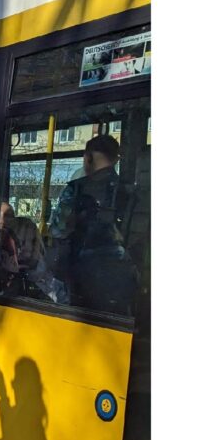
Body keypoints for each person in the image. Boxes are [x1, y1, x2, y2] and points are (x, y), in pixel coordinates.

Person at [52, 134, 137, 316]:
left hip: (80, 281)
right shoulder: (131, 192)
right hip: (122, 280)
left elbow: (58, 231)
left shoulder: (76, 190)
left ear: (88, 157)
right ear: (116, 159)